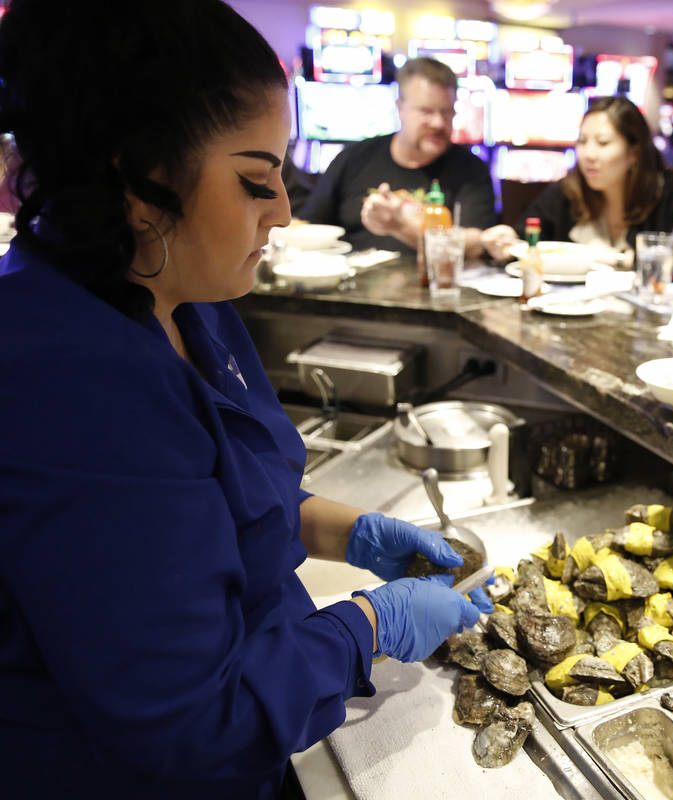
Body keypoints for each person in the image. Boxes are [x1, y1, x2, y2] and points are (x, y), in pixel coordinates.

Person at [0, 2, 491, 797]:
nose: (286, 211)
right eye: (258, 181)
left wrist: (345, 532)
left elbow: (210, 498)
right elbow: (192, 727)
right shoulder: (68, 382)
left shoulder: (188, 294)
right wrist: (369, 626)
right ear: (140, 177)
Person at [482, 96, 673, 281]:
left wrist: (619, 258)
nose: (589, 155)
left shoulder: (665, 192)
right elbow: (528, 235)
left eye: (603, 143)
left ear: (633, 152)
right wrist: (508, 239)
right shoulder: (568, 190)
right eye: (582, 142)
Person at [300, 57, 495, 257]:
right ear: (400, 107)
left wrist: (398, 224)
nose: (438, 122)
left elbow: (477, 243)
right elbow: (309, 223)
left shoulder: (471, 169)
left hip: (436, 284)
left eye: (446, 112)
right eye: (426, 111)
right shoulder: (354, 157)